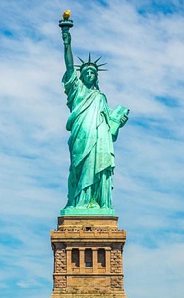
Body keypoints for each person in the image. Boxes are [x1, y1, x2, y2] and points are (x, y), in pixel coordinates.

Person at [61, 27, 128, 210]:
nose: (89, 74)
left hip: (99, 138)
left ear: (96, 76)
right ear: (81, 76)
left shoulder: (101, 97)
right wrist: (67, 44)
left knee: (97, 168)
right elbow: (68, 67)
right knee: (79, 168)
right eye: (86, 72)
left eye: (92, 72)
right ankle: (78, 201)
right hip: (81, 135)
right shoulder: (76, 91)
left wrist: (118, 123)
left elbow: (110, 125)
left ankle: (94, 202)